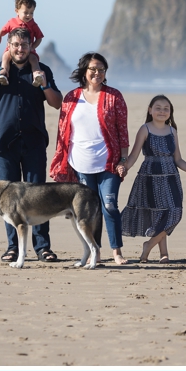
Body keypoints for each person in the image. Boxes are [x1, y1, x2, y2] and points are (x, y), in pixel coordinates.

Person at [0, 28, 62, 262]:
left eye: (24, 45)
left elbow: (57, 103)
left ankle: (43, 247)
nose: (20, 49)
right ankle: (13, 247)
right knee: (7, 197)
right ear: (9, 46)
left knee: (39, 195)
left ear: (31, 46)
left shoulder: (41, 70)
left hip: (34, 142)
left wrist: (44, 84)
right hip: (4, 145)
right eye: (15, 44)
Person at [48, 51, 130, 264]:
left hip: (109, 163)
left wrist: (124, 160)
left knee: (109, 205)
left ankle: (117, 252)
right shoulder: (71, 97)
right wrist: (60, 160)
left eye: (101, 69)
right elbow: (63, 132)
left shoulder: (114, 96)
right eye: (93, 69)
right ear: (84, 71)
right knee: (89, 211)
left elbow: (123, 130)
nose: (97, 73)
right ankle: (96, 252)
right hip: (80, 164)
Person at [120, 96, 186, 262]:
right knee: (159, 215)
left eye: (166, 108)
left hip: (171, 178)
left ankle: (148, 245)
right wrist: (124, 167)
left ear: (170, 112)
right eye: (158, 108)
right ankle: (164, 253)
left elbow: (178, 159)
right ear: (150, 110)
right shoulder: (145, 129)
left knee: (174, 213)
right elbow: (134, 155)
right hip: (150, 178)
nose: (162, 111)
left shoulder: (172, 131)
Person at [0, 0, 45, 85]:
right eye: (25, 12)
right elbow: (4, 30)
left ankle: (37, 75)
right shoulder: (12, 22)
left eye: (31, 13)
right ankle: (4, 73)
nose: (28, 15)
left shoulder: (33, 25)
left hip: (28, 50)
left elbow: (39, 38)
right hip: (12, 50)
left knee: (34, 59)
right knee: (6, 57)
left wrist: (33, 47)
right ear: (17, 11)